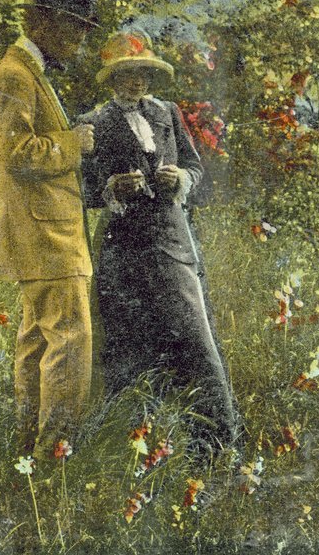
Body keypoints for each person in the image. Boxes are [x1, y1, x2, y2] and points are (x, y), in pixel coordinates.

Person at [81, 30, 237, 447]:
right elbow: (82, 188)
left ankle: (217, 443)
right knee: (128, 346)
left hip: (171, 241)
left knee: (194, 339)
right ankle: (129, 448)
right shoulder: (94, 122)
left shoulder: (167, 113)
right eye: (129, 74)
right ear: (113, 79)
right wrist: (112, 188)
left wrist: (182, 178)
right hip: (122, 248)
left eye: (144, 74)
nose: (137, 82)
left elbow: (195, 167)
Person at [0, 0, 98, 460]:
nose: (80, 42)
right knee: (70, 342)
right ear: (43, 24)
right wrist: (75, 144)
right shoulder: (15, 75)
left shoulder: (25, 72)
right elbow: (17, 155)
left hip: (43, 233)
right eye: (75, 30)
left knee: (36, 343)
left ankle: (29, 452)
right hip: (45, 236)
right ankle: (55, 455)